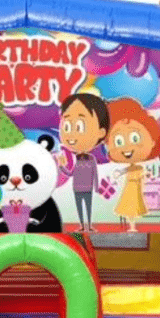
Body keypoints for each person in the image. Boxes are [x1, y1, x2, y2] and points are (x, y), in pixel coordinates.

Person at [106, 98, 160, 233]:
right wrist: (118, 174)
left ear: (152, 140)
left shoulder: (140, 168)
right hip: (130, 190)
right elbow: (124, 171)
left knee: (133, 208)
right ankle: (130, 226)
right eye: (119, 141)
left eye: (134, 138)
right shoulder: (132, 168)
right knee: (129, 208)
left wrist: (157, 175)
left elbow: (147, 174)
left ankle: (132, 226)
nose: (127, 147)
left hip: (136, 190)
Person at [59, 93, 109, 232]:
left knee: (88, 206)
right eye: (67, 126)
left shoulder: (91, 158)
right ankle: (82, 225)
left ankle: (89, 225)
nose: (72, 134)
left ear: (101, 132)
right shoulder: (75, 158)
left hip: (88, 188)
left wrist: (96, 187)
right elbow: (70, 173)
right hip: (77, 188)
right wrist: (62, 166)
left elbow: (95, 173)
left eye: (80, 126)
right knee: (79, 207)